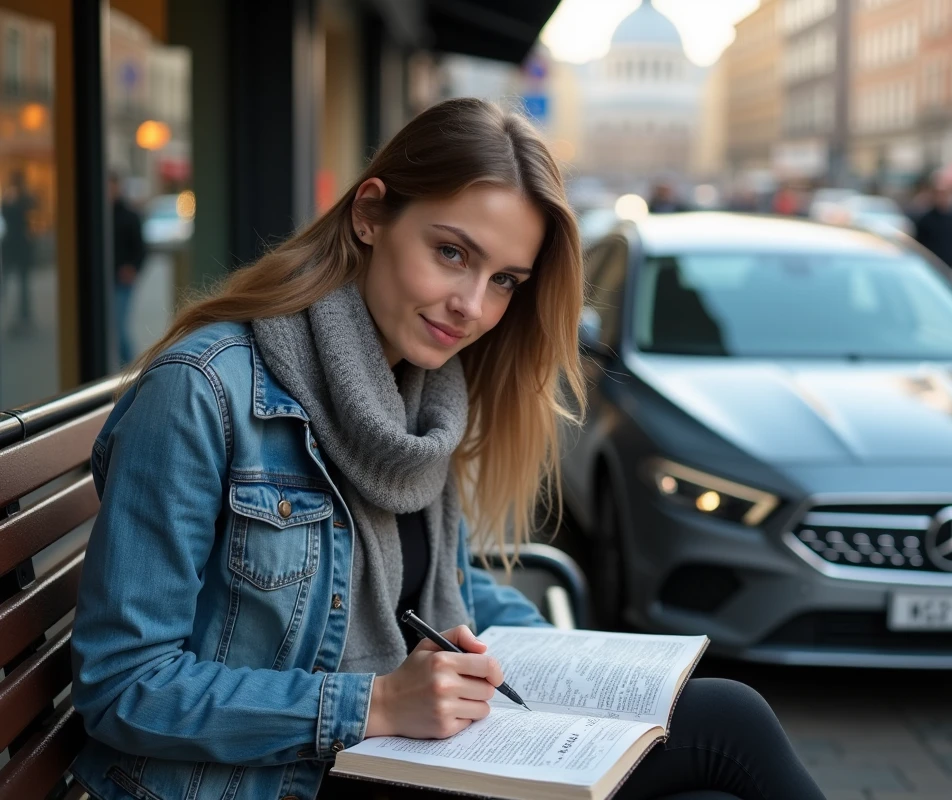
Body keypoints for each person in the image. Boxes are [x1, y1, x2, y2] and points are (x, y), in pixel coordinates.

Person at [69, 98, 826, 800]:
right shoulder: (203, 391)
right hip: (274, 778)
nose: (473, 307)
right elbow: (123, 683)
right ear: (371, 214)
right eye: (453, 254)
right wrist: (375, 701)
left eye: (504, 280)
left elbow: (433, 589)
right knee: (730, 726)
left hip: (395, 754)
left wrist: (580, 675)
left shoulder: (416, 396)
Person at [110, 173, 146, 365]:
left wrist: (133, 269)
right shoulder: (101, 216)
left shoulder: (129, 216)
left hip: (122, 280)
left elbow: (141, 249)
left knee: (119, 326)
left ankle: (132, 369)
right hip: (105, 278)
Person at [2, 169, 36, 335]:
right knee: (7, 281)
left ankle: (24, 316)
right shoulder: (8, 198)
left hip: (19, 246)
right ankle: (21, 315)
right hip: (12, 245)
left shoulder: (23, 198)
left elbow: (31, 208)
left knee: (22, 284)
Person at [915, 185, 952, 274]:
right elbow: (920, 242)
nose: (941, 198)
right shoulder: (925, 220)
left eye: (944, 195)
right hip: (932, 261)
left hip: (949, 262)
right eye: (939, 195)